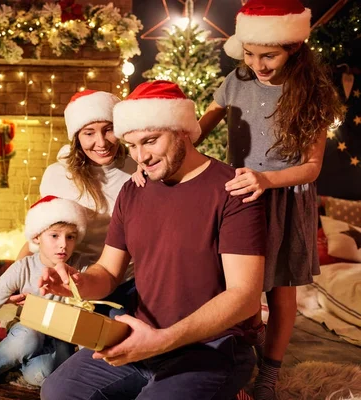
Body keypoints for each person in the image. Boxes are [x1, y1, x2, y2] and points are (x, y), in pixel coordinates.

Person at [39, 80, 267, 400]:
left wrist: (162, 340)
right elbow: (107, 271)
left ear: (182, 130)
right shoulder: (134, 190)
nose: (140, 156)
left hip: (210, 350)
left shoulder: (233, 190)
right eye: (131, 145)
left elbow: (244, 295)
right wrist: (77, 283)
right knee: (57, 391)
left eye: (150, 141)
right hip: (138, 339)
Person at [193, 1, 343, 398]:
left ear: (293, 47)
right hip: (239, 196)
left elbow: (311, 167)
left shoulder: (313, 91)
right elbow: (196, 131)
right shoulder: (236, 80)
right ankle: (234, 365)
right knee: (231, 289)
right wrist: (158, 149)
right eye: (250, 53)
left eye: (269, 55)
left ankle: (269, 376)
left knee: (279, 292)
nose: (257, 63)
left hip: (284, 199)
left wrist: (267, 178)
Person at [0, 195, 88, 392]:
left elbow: (90, 318)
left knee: (42, 376)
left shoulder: (84, 266)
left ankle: (18, 367)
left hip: (61, 337)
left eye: (70, 236)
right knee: (28, 336)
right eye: (54, 235)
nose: (63, 244)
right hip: (28, 332)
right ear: (37, 237)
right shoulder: (22, 268)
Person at [14, 89, 138, 311]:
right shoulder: (58, 176)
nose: (101, 142)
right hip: (69, 283)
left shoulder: (138, 169)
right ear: (77, 138)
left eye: (108, 130)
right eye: (89, 133)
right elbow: (41, 235)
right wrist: (15, 280)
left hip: (126, 282)